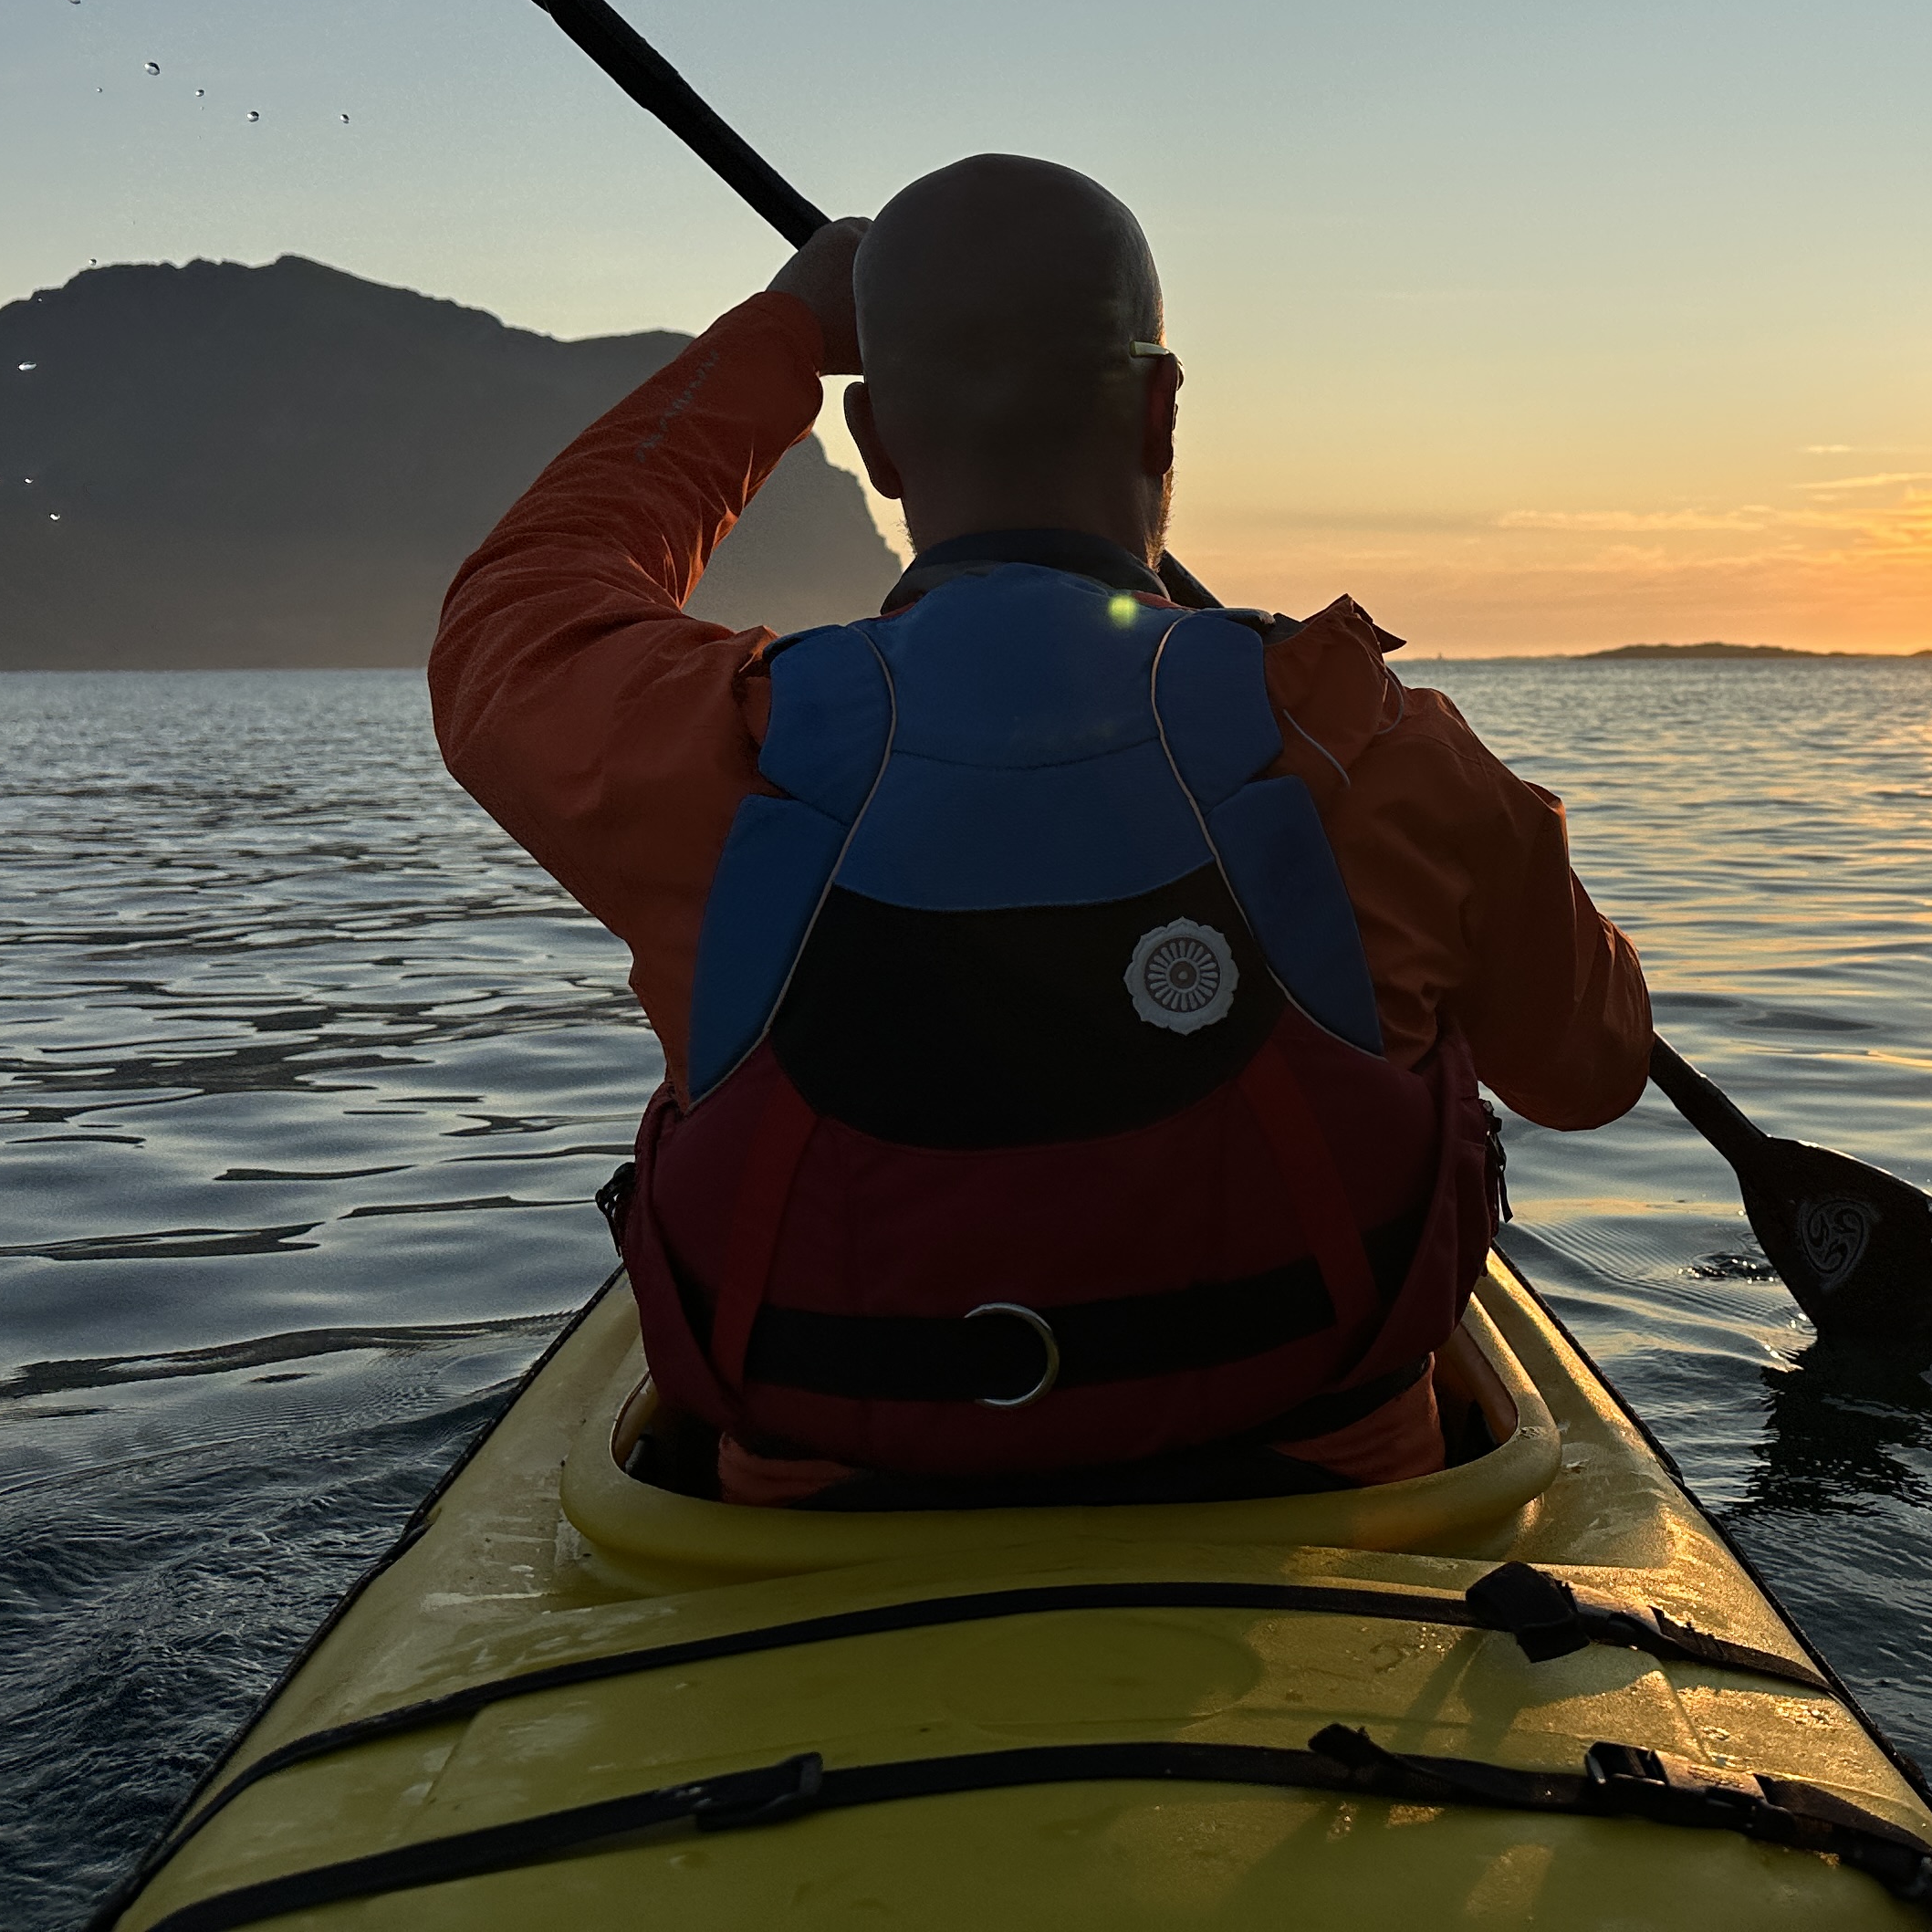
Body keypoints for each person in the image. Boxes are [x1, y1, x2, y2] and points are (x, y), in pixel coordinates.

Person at [430, 155, 1649, 1506]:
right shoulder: (1380, 751)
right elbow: (1591, 1075)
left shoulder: (721, 752)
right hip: (1338, 1505)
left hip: (817, 1532)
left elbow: (520, 608)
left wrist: (778, 335)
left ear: (879, 444)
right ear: (1160, 410)